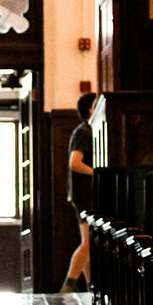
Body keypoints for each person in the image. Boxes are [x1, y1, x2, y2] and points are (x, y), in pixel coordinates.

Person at [61, 92, 97, 293]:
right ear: (91, 110)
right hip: (84, 193)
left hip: (82, 193)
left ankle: (92, 288)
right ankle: (70, 284)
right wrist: (97, 174)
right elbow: (74, 163)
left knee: (88, 243)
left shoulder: (87, 130)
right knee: (88, 243)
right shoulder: (84, 131)